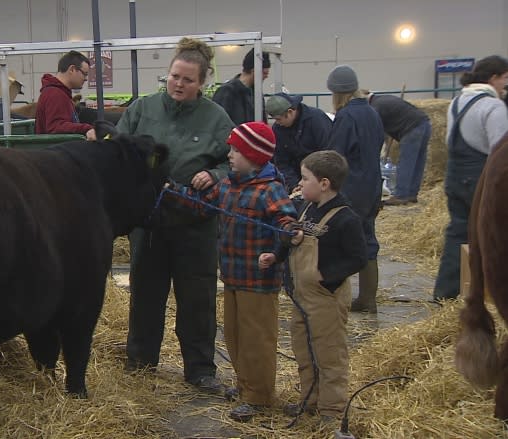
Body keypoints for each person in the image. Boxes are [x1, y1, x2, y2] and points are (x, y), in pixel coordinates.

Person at [116, 37, 235, 395]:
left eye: (188, 79)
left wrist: (214, 176)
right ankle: (140, 364)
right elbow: (118, 150)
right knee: (146, 295)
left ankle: (200, 369)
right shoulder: (143, 109)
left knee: (197, 298)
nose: (179, 84)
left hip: (195, 225)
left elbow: (234, 163)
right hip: (150, 222)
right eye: (174, 77)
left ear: (203, 83)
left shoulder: (216, 118)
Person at [164, 121, 298, 421]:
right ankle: (245, 386)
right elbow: (198, 205)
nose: (230, 155)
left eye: (236, 150)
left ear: (254, 155)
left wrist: (287, 236)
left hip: (259, 280)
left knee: (257, 338)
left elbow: (286, 220)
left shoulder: (270, 189)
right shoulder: (227, 185)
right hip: (233, 277)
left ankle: (260, 396)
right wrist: (171, 190)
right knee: (236, 336)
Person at [267, 150, 366, 424]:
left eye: (305, 178)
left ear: (324, 183)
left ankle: (332, 412)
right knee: (304, 350)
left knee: (329, 355)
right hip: (302, 297)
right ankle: (309, 401)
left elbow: (359, 256)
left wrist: (326, 277)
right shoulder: (307, 209)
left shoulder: (345, 219)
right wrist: (281, 249)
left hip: (326, 298)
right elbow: (292, 236)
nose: (299, 184)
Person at [433, 55, 508, 301]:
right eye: (504, 79)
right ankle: (488, 294)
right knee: (490, 238)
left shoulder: (457, 101)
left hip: (455, 176)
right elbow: (501, 151)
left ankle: (445, 294)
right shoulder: (493, 106)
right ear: (493, 77)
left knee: (458, 234)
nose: (505, 85)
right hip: (480, 179)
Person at [325, 65, 384, 314]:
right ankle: (368, 297)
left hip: (352, 187)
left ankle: (338, 297)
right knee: (368, 239)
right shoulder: (372, 112)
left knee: (342, 243)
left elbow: (335, 155)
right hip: (372, 185)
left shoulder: (346, 116)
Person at [365, 92, 432, 206]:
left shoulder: (375, 108)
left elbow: (377, 133)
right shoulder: (382, 99)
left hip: (411, 128)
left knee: (406, 162)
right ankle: (411, 194)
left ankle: (401, 195)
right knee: (417, 162)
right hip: (424, 124)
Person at [265, 92, 333, 194]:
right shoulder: (278, 129)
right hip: (299, 180)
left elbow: (328, 153)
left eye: (279, 119)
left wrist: (316, 182)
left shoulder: (317, 120)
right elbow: (282, 162)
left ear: (290, 112)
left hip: (322, 179)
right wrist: (294, 185)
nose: (277, 123)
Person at [34, 50, 96, 140]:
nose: (86, 79)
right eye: (84, 74)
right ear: (72, 69)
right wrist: (86, 128)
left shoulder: (59, 93)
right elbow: (55, 127)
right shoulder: (55, 94)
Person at [212, 49, 271, 125]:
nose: (266, 76)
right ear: (254, 71)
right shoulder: (227, 91)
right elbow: (218, 123)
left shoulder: (256, 92)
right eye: (265, 73)